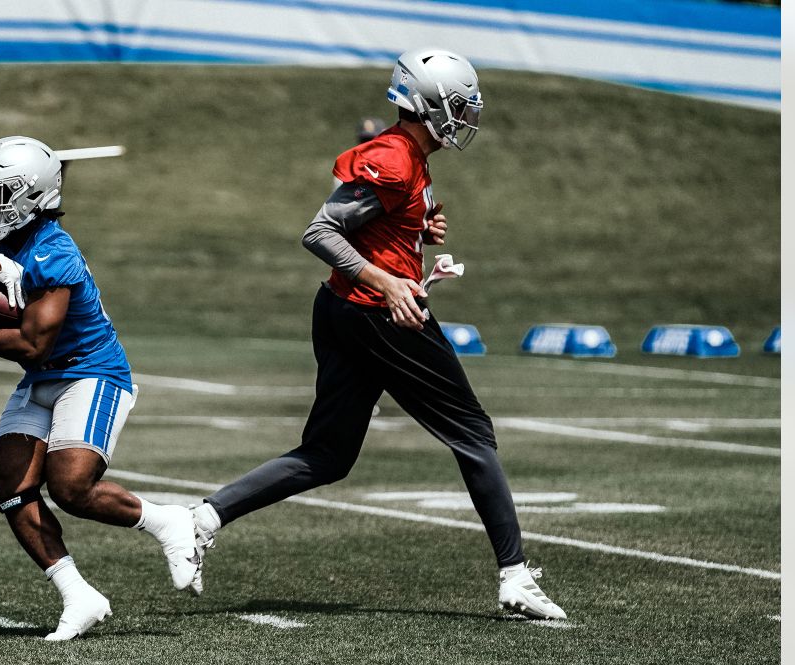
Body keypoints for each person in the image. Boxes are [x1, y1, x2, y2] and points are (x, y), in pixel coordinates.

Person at [190, 49, 567, 620]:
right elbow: (320, 231)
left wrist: (417, 228)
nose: (465, 118)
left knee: (328, 454)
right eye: (459, 106)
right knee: (473, 433)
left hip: (346, 309)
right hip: (380, 314)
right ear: (429, 103)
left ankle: (205, 518)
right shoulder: (393, 156)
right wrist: (389, 283)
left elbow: (375, 222)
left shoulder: (409, 156)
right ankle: (515, 576)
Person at [0, 136, 201, 640]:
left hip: (91, 371)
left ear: (30, 196)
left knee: (71, 488)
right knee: (11, 487)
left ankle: (166, 521)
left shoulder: (54, 252)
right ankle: (78, 595)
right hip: (45, 376)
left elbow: (33, 345)